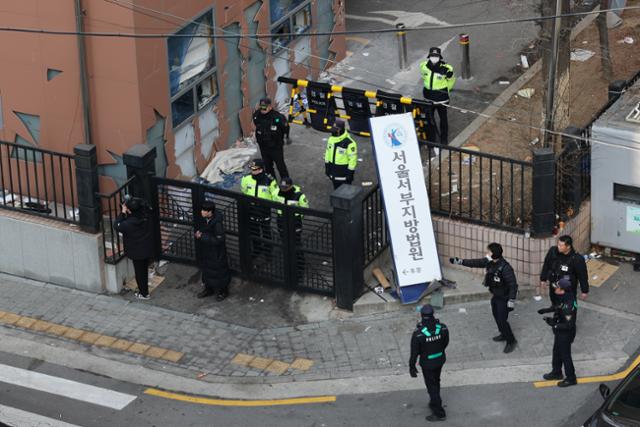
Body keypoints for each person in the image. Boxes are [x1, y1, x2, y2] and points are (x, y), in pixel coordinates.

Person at [450, 242, 518, 353]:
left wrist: (511, 300)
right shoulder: (489, 262)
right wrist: (461, 262)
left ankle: (511, 340)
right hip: (495, 296)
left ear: (494, 254)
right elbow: (475, 263)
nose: (486, 253)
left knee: (502, 320)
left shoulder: (506, 268)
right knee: (496, 316)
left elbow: (513, 285)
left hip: (504, 298)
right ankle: (503, 334)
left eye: (488, 252)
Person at [409, 304, 449, 422]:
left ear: (422, 315)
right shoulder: (443, 328)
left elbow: (414, 353)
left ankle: (439, 413)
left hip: (427, 364)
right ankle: (433, 402)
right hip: (440, 360)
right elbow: (445, 343)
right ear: (433, 314)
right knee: (436, 381)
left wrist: (412, 367)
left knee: (432, 388)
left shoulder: (419, 333)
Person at [540, 276, 578, 387]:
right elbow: (558, 306)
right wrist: (546, 310)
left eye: (557, 288)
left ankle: (571, 378)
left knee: (565, 355)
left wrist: (554, 324)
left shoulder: (569, 305)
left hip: (565, 333)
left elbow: (569, 324)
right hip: (560, 331)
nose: (555, 289)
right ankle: (556, 372)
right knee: (556, 352)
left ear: (562, 290)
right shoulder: (564, 297)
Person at [114, 197, 154, 300]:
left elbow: (117, 225)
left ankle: (144, 293)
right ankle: (144, 289)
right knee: (144, 270)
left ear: (129, 210)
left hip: (137, 252)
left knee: (139, 273)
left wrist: (123, 213)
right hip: (147, 248)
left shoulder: (128, 224)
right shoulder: (145, 216)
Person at [539, 235, 589, 311]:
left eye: (561, 245)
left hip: (568, 288)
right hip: (554, 283)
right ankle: (556, 311)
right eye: (558, 244)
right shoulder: (553, 251)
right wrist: (543, 279)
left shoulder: (577, 259)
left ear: (568, 246)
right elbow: (546, 264)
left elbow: (582, 276)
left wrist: (584, 291)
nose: (558, 247)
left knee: (569, 309)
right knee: (555, 301)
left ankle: (569, 321)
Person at [272, 177, 309, 280]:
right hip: (281, 221)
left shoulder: (299, 196)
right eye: (282, 187)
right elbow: (273, 201)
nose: (283, 189)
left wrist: (297, 218)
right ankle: (289, 263)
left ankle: (300, 266)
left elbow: (305, 209)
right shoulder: (276, 192)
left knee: (296, 244)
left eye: (285, 187)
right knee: (285, 242)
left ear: (291, 186)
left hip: (294, 222)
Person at [240, 159, 278, 259]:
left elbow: (275, 195)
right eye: (251, 169)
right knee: (254, 232)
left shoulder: (269, 180)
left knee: (266, 232)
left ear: (261, 170)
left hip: (264, 210)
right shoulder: (246, 178)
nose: (252, 171)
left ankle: (268, 252)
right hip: (251, 209)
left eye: (255, 170)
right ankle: (256, 250)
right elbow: (244, 191)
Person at [195, 201, 231, 301]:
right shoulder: (206, 220)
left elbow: (219, 239)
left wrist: (202, 236)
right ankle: (209, 288)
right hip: (208, 251)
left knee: (219, 272)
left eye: (204, 210)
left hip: (216, 253)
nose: (201, 212)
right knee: (207, 270)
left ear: (209, 212)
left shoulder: (217, 224)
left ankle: (223, 291)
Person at [419, 47, 456, 145]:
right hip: (428, 97)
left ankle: (444, 139)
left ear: (440, 57)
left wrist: (444, 90)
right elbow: (424, 77)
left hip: (441, 99)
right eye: (432, 56)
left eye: (436, 56)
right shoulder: (423, 66)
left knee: (443, 119)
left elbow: (451, 82)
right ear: (429, 56)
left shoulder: (447, 68)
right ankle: (432, 139)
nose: (434, 58)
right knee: (429, 119)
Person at [252, 97, 290, 179]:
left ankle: (286, 183)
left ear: (270, 107)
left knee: (280, 166)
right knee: (268, 167)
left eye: (265, 106)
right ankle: (272, 184)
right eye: (261, 107)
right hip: (263, 146)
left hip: (275, 147)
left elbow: (286, 128)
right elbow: (256, 124)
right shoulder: (257, 115)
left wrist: (286, 137)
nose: (263, 109)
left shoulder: (277, 117)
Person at [324, 119, 357, 189]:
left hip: (343, 171)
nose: (333, 132)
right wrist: (327, 166)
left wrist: (350, 173)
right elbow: (327, 153)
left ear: (340, 130)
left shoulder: (350, 143)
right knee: (336, 189)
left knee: (345, 191)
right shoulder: (331, 139)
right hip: (332, 169)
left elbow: (352, 160)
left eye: (335, 130)